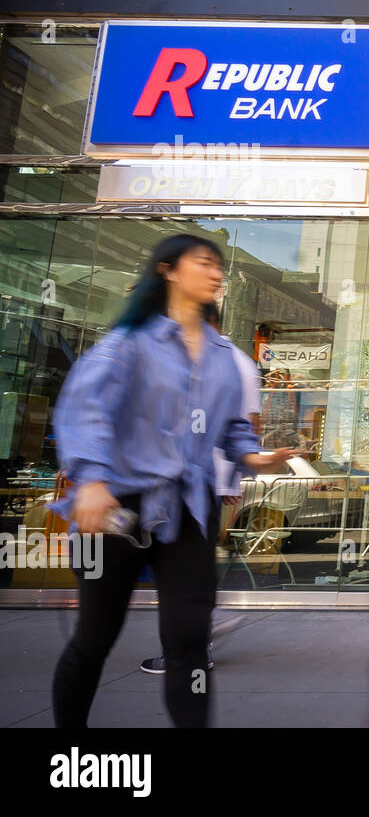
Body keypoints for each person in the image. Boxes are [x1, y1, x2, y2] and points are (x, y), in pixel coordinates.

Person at [49, 234, 295, 728]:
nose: (216, 273)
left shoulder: (225, 356)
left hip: (189, 506)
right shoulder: (129, 344)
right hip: (117, 505)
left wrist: (256, 456)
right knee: (95, 636)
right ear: (168, 270)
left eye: (218, 266)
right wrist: (93, 481)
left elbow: (231, 429)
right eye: (203, 262)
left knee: (188, 639)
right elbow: (87, 410)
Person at [139, 303, 263, 674]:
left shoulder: (224, 361)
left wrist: (230, 477)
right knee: (191, 567)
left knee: (185, 569)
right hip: (205, 478)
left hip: (203, 479)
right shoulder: (236, 361)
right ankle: (196, 638)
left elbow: (244, 424)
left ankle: (195, 644)